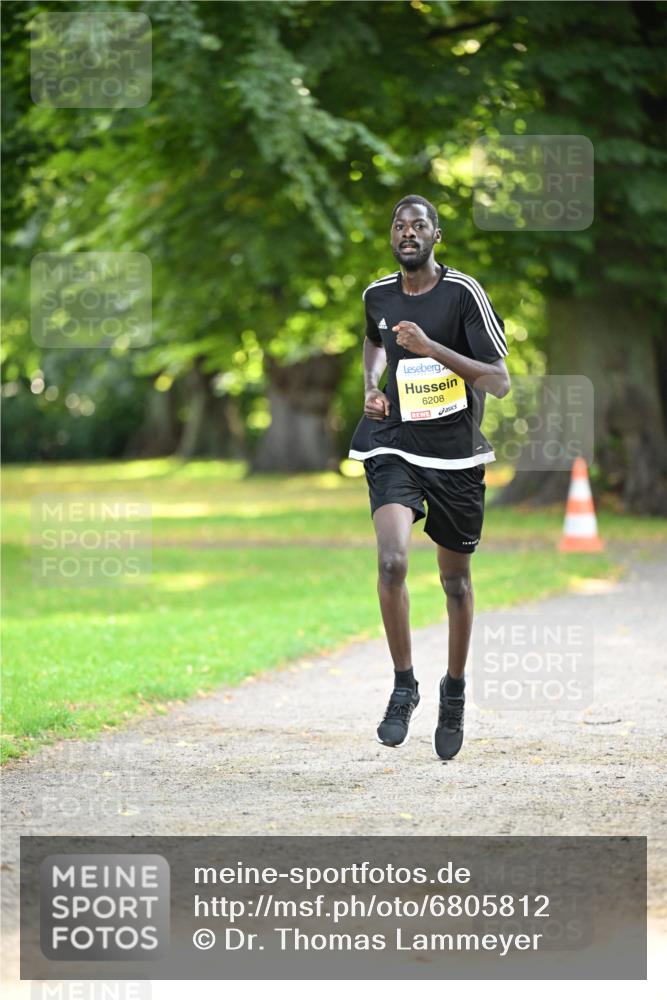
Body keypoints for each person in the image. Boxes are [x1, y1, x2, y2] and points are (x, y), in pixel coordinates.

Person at [348, 194, 510, 760]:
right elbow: (373, 341)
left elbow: (499, 381)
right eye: (399, 225)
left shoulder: (462, 294)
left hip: (456, 454)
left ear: (436, 236)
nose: (407, 232)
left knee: (455, 582)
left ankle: (454, 690)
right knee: (392, 562)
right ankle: (403, 685)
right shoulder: (377, 296)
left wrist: (430, 348)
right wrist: (372, 387)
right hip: (393, 444)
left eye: (419, 225)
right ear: (391, 237)